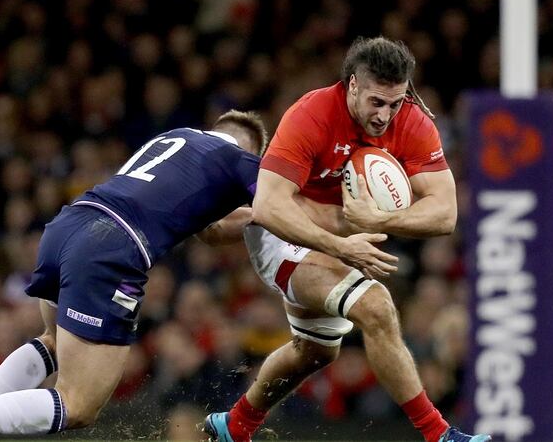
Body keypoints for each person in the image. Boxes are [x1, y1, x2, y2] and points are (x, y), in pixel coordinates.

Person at [0, 110, 390, 441]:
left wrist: (248, 216)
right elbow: (284, 207)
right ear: (253, 149)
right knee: (78, 404)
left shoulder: (174, 140)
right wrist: (352, 224)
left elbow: (212, 230)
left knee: (52, 342)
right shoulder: (243, 161)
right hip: (111, 250)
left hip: (68, 227)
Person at [201, 37, 491, 442]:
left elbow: (445, 214)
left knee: (315, 351)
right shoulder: (312, 114)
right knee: (376, 307)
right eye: (376, 102)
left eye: (395, 103)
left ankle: (235, 425)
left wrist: (381, 218)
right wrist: (340, 245)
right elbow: (268, 206)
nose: (385, 115)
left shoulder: (412, 121)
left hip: (341, 238)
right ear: (353, 85)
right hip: (283, 233)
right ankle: (440, 435)